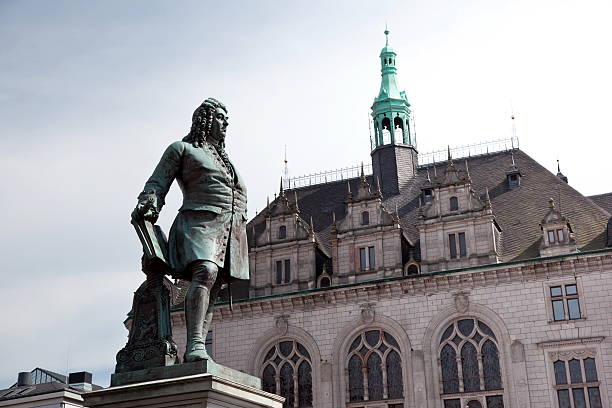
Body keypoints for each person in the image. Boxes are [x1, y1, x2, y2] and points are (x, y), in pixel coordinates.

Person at [132, 98, 248, 362]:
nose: (225, 124)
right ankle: (195, 343)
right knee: (205, 272)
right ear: (205, 120)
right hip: (198, 223)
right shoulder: (182, 149)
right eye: (220, 118)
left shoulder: (226, 161)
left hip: (229, 232)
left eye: (227, 120)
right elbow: (156, 183)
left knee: (215, 284)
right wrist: (150, 201)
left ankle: (197, 349)